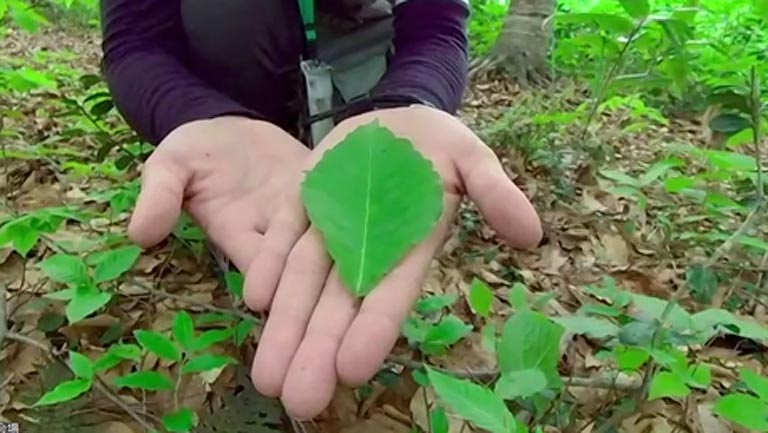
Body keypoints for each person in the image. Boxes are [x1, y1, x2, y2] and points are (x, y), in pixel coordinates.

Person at [99, 0, 543, 420]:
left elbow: (437, 23)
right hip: (234, 111)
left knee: (323, 293)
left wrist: (408, 98)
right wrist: (200, 115)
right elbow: (136, 42)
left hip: (363, 79)